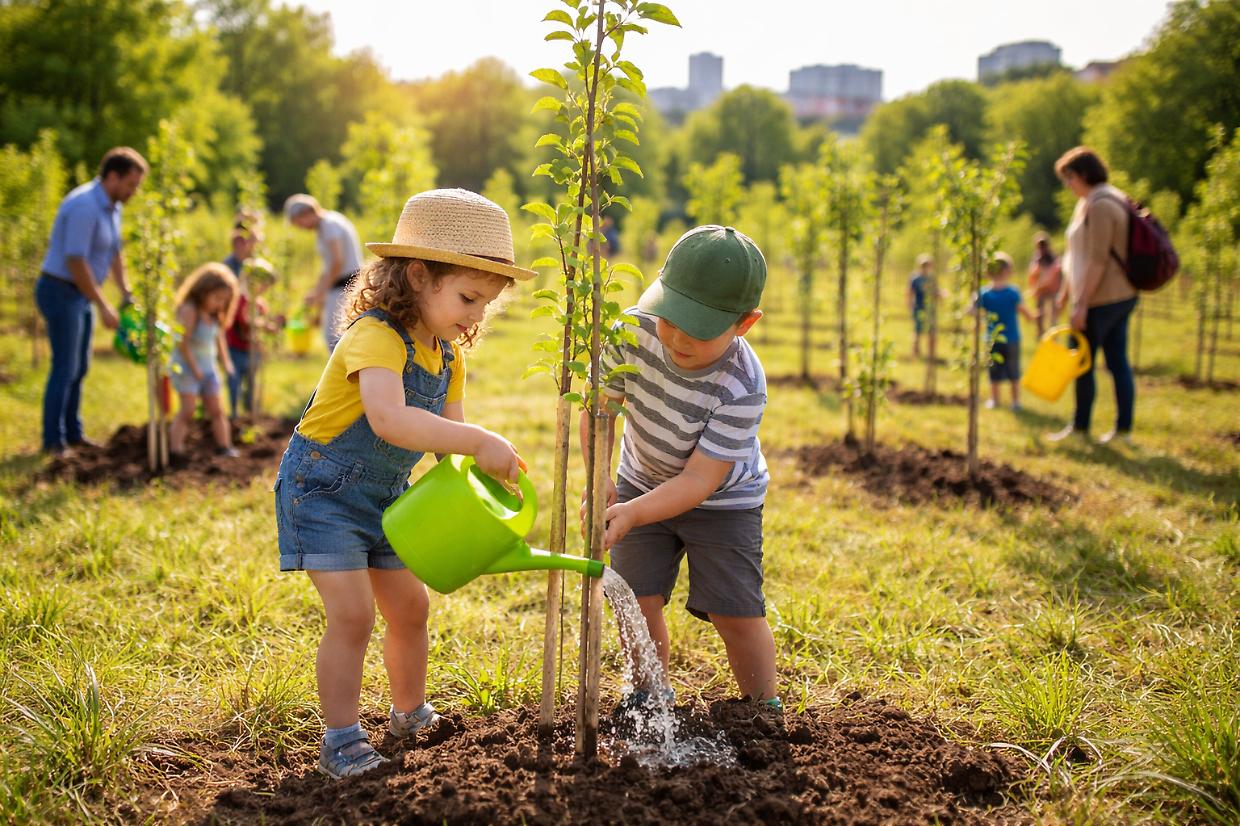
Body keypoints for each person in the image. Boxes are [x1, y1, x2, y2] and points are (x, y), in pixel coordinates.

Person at [273, 188, 535, 779]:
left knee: (411, 607)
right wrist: (475, 442)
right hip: (324, 493)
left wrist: (481, 496)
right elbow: (389, 418)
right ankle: (340, 739)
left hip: (387, 498)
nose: (476, 315)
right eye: (468, 297)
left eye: (485, 305)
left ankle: (409, 712)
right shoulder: (374, 337)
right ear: (418, 275)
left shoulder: (446, 356)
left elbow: (450, 443)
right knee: (353, 615)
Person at [590, 224, 778, 709]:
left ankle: (760, 708)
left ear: (745, 323)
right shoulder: (632, 332)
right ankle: (650, 695)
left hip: (722, 502)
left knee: (733, 610)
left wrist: (631, 514)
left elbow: (700, 479)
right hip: (641, 477)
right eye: (670, 318)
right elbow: (604, 410)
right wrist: (601, 474)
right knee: (637, 599)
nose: (676, 337)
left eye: (699, 329)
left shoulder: (743, 384)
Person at [35, 147, 147, 454]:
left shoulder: (113, 207)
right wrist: (102, 304)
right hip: (60, 290)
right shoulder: (84, 205)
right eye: (130, 185)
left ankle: (73, 432)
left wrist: (125, 292)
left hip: (78, 294)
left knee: (80, 366)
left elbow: (114, 251)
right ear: (112, 176)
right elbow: (76, 261)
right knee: (65, 366)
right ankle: (53, 440)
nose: (133, 192)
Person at [1048, 147, 1137, 445]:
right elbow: (1076, 254)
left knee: (1083, 362)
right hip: (1112, 295)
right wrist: (1064, 293)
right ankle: (1120, 430)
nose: (1068, 185)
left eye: (1069, 178)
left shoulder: (1101, 205)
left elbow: (1098, 259)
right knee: (1116, 361)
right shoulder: (1096, 201)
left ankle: (1082, 426)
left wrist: (1082, 304)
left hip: (1103, 298)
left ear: (1084, 174)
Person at [168, 263, 240, 458]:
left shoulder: (214, 315)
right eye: (216, 298)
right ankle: (175, 449)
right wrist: (195, 369)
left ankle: (224, 446)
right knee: (188, 410)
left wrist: (226, 362)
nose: (219, 304)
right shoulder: (190, 310)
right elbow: (182, 344)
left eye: (224, 301)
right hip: (187, 368)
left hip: (208, 368)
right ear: (203, 290)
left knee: (217, 410)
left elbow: (219, 339)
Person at [283, 194, 365, 353]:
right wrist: (317, 292)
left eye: (299, 223)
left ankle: (340, 376)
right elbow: (327, 268)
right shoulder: (326, 225)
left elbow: (337, 261)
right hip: (339, 284)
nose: (301, 227)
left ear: (306, 213)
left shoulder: (329, 225)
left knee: (335, 337)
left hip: (345, 284)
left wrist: (322, 292)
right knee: (335, 336)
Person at [978, 252, 1037, 410]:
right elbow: (1023, 310)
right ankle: (1015, 402)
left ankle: (994, 400)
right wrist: (1033, 317)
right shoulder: (1012, 292)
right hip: (1012, 338)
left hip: (992, 339)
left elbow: (972, 311)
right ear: (1006, 271)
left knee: (994, 372)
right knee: (1014, 371)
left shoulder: (984, 293)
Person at [224, 255, 280, 420]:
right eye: (263, 284)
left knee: (251, 383)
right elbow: (245, 319)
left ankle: (249, 414)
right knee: (234, 382)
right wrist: (262, 324)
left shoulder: (260, 303)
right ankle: (234, 415)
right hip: (235, 348)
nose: (264, 289)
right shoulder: (240, 299)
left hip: (252, 349)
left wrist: (272, 326)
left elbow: (261, 324)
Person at [1027, 232, 1062, 337]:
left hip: (1053, 289)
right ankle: (1041, 333)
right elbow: (1032, 274)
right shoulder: (1036, 259)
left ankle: (1053, 334)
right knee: (1040, 312)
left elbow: (1056, 273)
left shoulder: (1053, 258)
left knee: (1053, 314)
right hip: (1041, 290)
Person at [907, 254, 933, 357]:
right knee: (917, 331)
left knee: (931, 331)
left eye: (927, 265)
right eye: (923, 265)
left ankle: (930, 353)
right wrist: (909, 305)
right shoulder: (915, 278)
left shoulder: (931, 278)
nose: (926, 267)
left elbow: (935, 291)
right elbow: (910, 292)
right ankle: (916, 351)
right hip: (918, 307)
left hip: (929, 308)